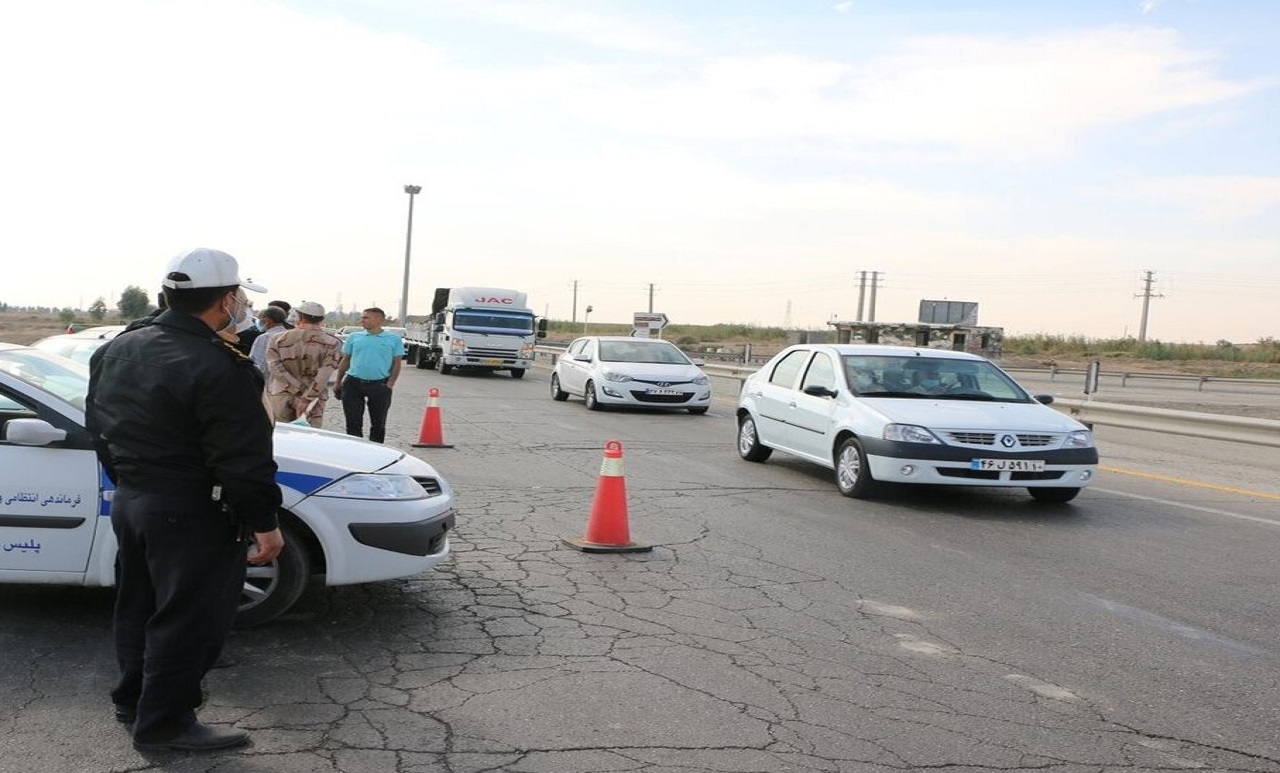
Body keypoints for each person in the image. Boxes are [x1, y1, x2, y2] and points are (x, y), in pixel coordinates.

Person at [85, 247, 284, 753]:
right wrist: (265, 522)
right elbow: (242, 458)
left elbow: (100, 427)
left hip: (134, 499)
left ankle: (134, 701)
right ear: (224, 301)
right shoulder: (220, 366)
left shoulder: (118, 348)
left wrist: (130, 480)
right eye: (238, 295)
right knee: (189, 619)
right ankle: (167, 723)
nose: (240, 304)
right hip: (192, 510)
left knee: (138, 607)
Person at [264, 300, 341, 427]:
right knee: (310, 437)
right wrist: (306, 396)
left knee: (282, 435)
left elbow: (274, 368)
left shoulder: (278, 338)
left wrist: (296, 387)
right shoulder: (332, 343)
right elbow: (324, 374)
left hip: (282, 393)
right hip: (313, 398)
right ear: (321, 319)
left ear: (300, 316)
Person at [334, 307, 404, 443]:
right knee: (353, 423)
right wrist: (338, 381)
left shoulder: (393, 339)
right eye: (362, 318)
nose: (362, 321)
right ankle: (355, 450)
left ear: (379, 320)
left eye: (366, 318)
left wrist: (390, 384)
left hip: (380, 385)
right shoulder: (354, 337)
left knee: (378, 423)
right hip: (353, 384)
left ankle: (376, 451)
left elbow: (397, 363)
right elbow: (346, 360)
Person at [249, 305, 288, 376]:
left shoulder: (264, 338)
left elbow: (257, 362)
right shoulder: (289, 335)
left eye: (262, 317)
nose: (260, 320)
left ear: (268, 320)